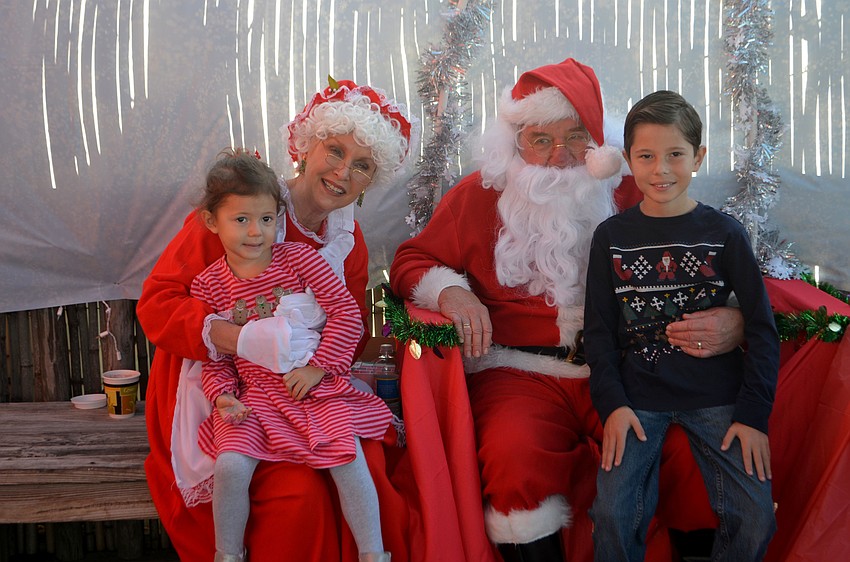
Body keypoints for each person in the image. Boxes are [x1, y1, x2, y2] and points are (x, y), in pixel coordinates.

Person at [390, 58, 743, 561]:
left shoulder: (634, 189)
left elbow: (707, 260)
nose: (559, 156)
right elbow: (413, 259)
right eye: (540, 140)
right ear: (516, 142)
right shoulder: (478, 196)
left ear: (598, 141)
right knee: (514, 454)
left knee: (688, 451)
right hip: (519, 372)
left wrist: (733, 315)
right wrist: (451, 292)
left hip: (629, 366)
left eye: (576, 137)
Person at [137, 79, 415, 562]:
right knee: (296, 498)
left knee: (365, 458)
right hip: (217, 385)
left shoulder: (349, 241)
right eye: (335, 150)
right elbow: (157, 303)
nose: (343, 172)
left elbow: (345, 326)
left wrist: (315, 368)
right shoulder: (245, 213)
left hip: (299, 387)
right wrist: (238, 339)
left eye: (362, 166)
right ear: (307, 147)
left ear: (371, 180)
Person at [584, 90, 778, 561]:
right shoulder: (611, 237)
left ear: (699, 156)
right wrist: (612, 406)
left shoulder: (725, 233)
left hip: (717, 397)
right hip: (638, 399)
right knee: (611, 513)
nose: (661, 169)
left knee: (756, 516)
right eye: (646, 156)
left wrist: (753, 417)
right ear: (628, 159)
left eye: (675, 154)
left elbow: (761, 329)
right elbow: (599, 332)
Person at [187, 149, 394, 562]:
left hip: (311, 388)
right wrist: (222, 396)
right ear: (213, 222)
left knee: (346, 457)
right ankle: (227, 554)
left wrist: (319, 367)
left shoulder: (299, 260)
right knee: (230, 465)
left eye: (265, 220)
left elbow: (347, 313)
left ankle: (373, 554)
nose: (254, 232)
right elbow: (215, 357)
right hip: (256, 397)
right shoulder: (209, 286)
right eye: (241, 220)